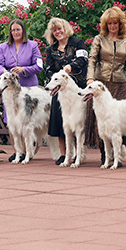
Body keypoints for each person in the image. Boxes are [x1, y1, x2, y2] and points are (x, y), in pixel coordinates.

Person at [85, 6, 126, 167]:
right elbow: (92, 59)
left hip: (120, 84)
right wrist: (90, 78)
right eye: (110, 23)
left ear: (121, 24)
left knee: (118, 121)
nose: (113, 26)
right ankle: (104, 155)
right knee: (101, 121)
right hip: (101, 84)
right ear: (105, 25)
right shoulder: (99, 39)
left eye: (115, 23)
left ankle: (117, 156)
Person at [0, 19, 43, 162]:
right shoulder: (3, 47)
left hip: (29, 88)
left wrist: (24, 69)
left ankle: (28, 151)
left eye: (18, 29)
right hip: (10, 89)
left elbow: (39, 65)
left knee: (26, 120)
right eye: (13, 30)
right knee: (11, 119)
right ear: (10, 32)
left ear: (23, 31)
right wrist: (6, 73)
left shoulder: (33, 45)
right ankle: (17, 151)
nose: (15, 32)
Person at [44, 17, 88, 165]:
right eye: (54, 30)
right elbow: (48, 69)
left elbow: (83, 60)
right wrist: (55, 79)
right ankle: (64, 154)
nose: (58, 32)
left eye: (59, 29)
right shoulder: (51, 50)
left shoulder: (77, 43)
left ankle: (79, 154)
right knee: (60, 122)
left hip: (78, 88)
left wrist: (70, 67)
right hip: (59, 89)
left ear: (65, 28)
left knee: (78, 122)